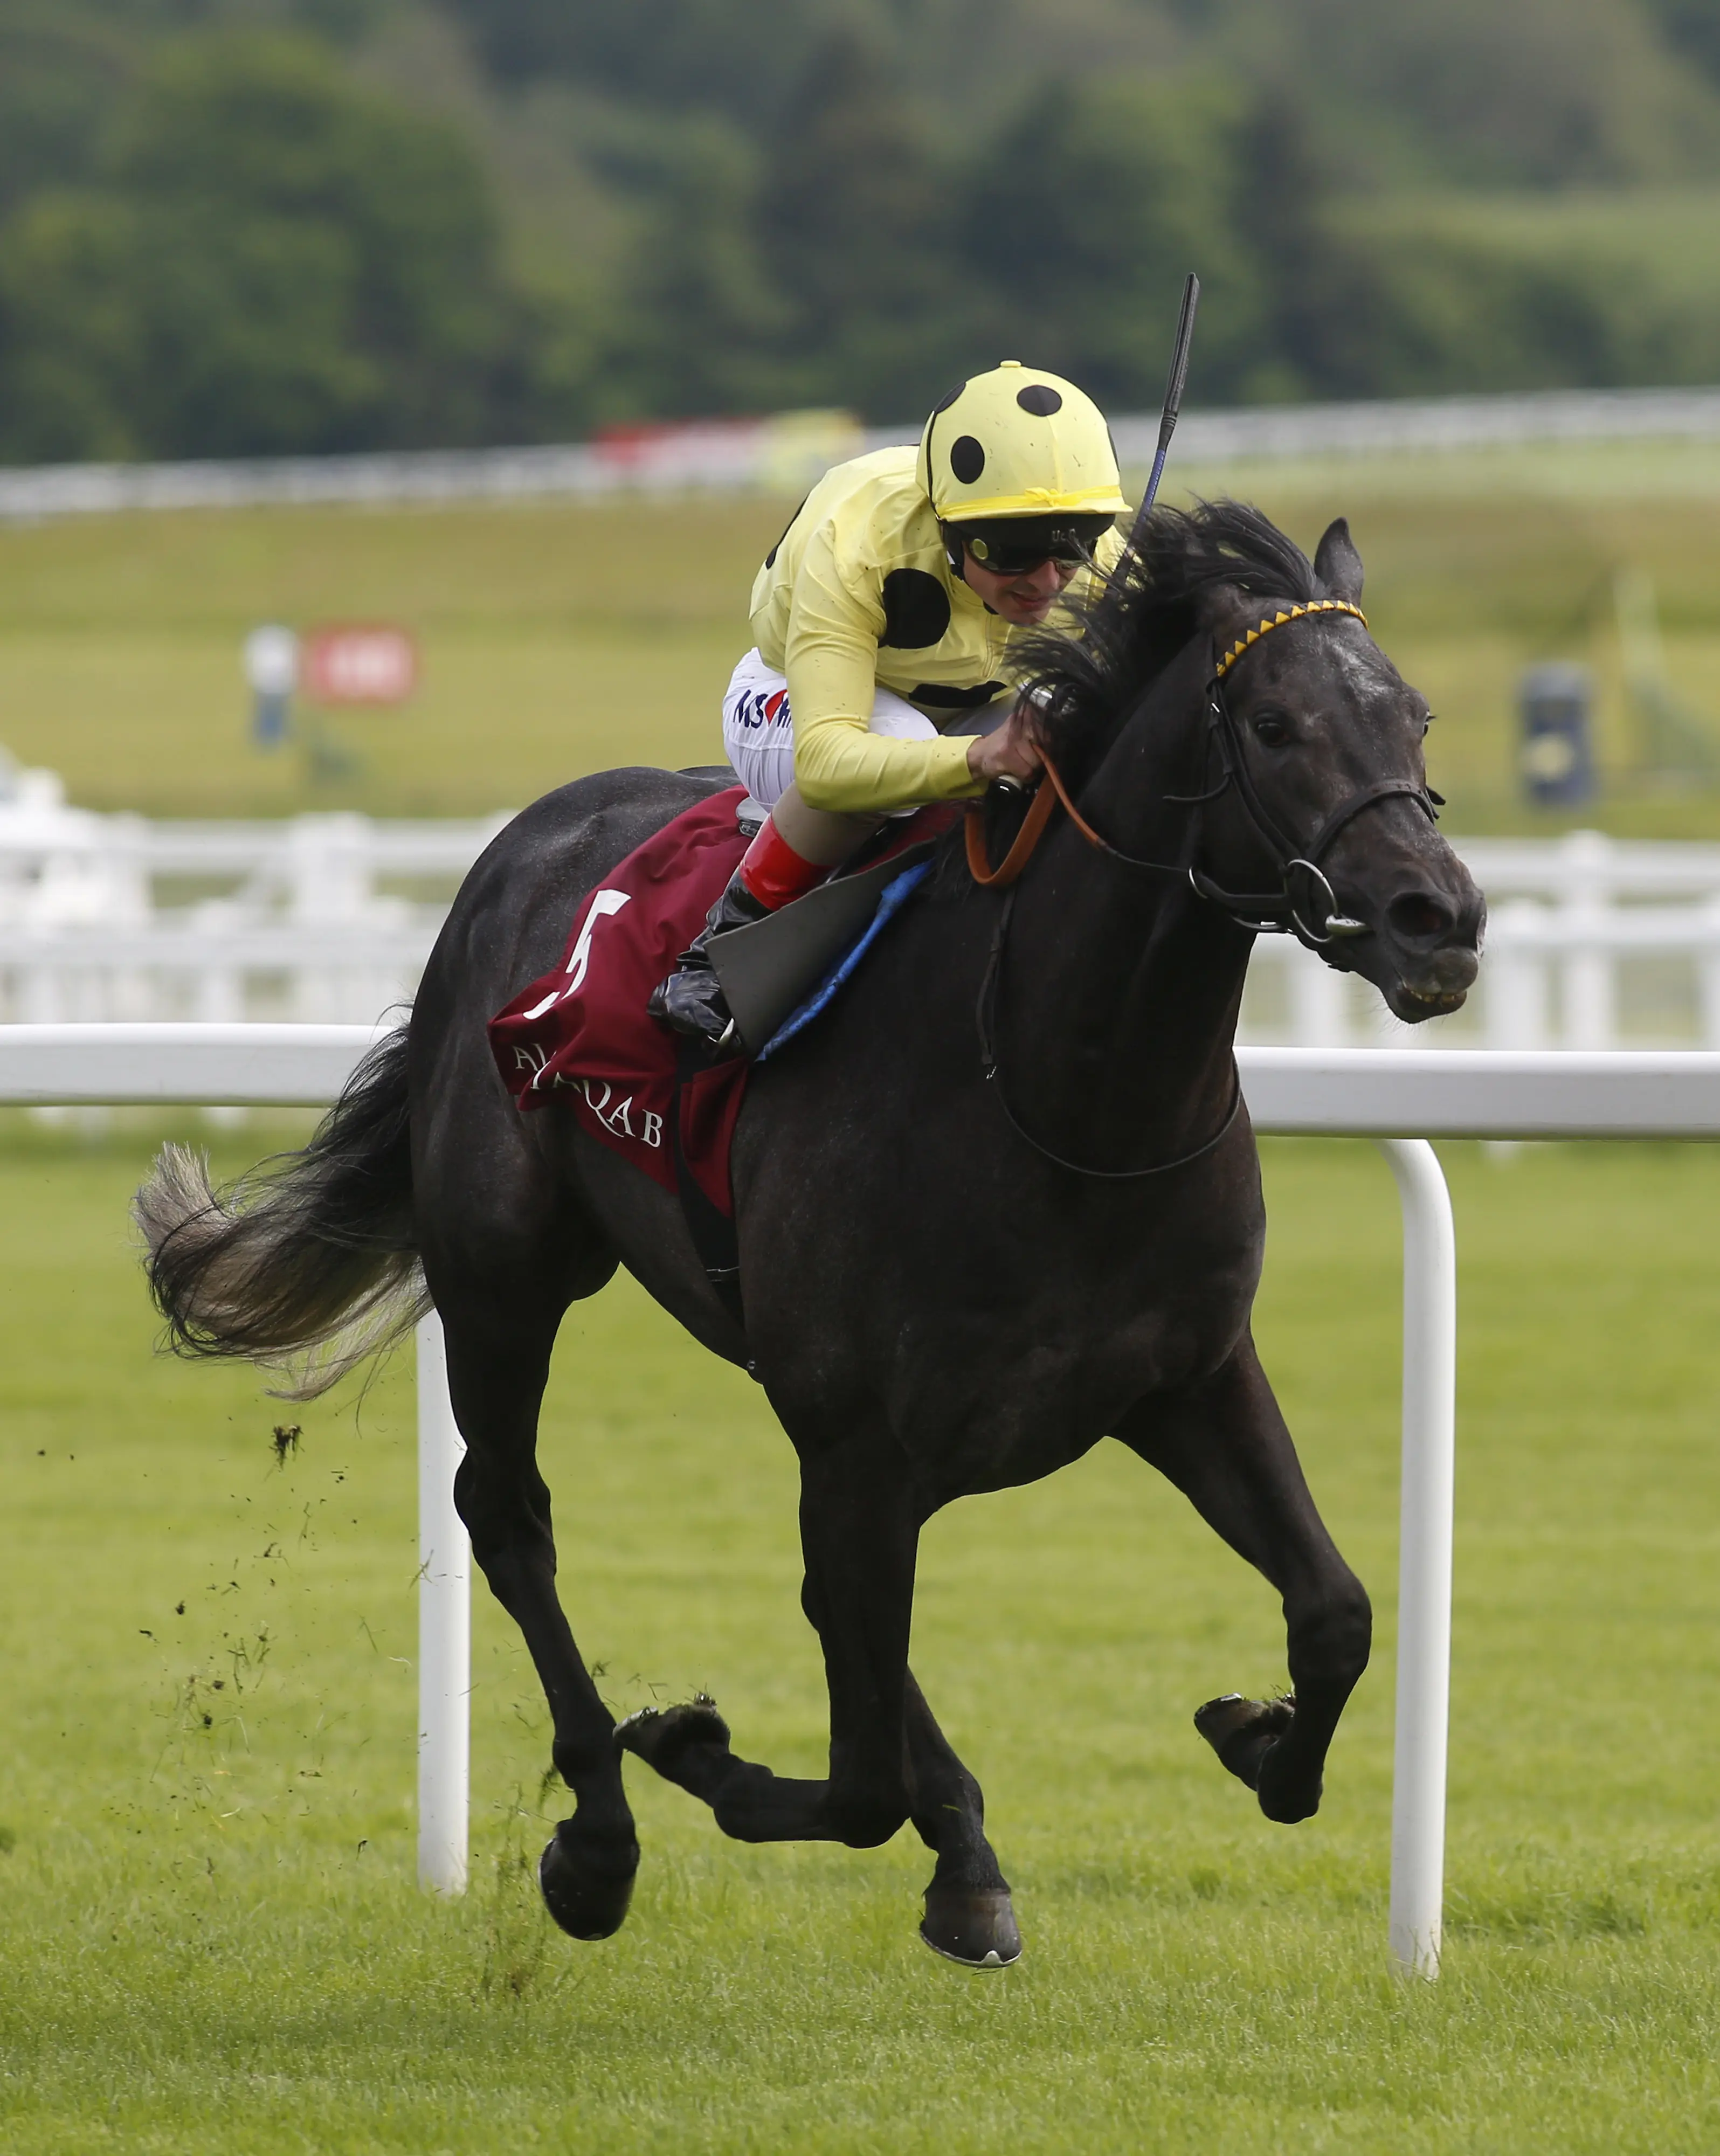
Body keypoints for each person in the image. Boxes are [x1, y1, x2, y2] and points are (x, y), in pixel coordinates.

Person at [649, 361, 1130, 1044]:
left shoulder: (1097, 551)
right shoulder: (858, 538)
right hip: (792, 699)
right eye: (1014, 553)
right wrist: (978, 757)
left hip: (973, 708)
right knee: (899, 750)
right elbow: (827, 764)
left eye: (1073, 546)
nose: (1048, 581)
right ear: (949, 527)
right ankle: (718, 951)